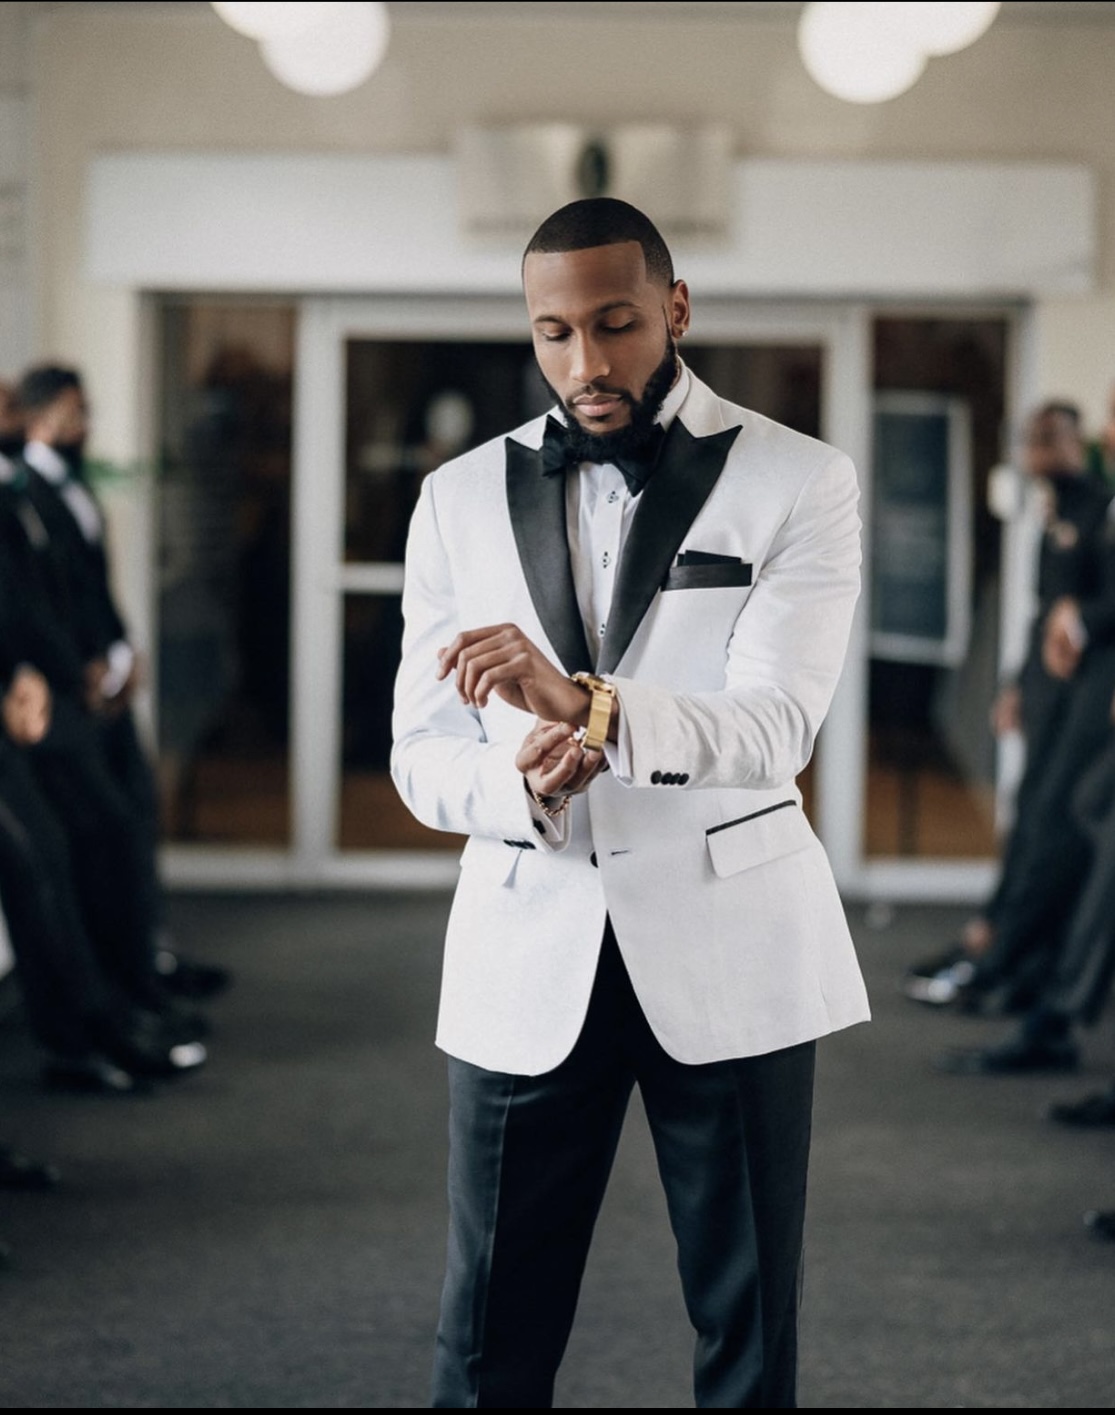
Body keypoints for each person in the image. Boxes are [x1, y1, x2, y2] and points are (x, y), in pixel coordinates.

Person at [391, 198, 869, 1408]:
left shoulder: (800, 479)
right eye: (552, 333)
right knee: (487, 1331)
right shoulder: (452, 496)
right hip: (526, 941)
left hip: (733, 944)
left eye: (612, 325)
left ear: (675, 305)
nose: (585, 364)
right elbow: (419, 750)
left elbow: (776, 725)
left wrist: (594, 712)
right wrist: (518, 778)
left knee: (746, 1327)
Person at [905, 402, 1115, 1010]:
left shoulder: (1098, 505)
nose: (1036, 452)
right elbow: (1047, 609)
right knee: (1029, 813)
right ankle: (993, 942)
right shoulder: (1053, 509)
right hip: (1051, 689)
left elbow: (1091, 607)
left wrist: (1084, 618)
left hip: (1087, 692)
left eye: (1049, 439)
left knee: (1054, 820)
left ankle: (1010, 960)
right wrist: (1019, 687)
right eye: (1031, 440)